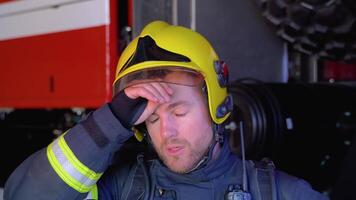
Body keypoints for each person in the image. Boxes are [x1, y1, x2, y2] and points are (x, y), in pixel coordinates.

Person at [4, 20, 329, 200]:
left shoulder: (282, 194)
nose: (166, 132)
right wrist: (111, 121)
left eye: (178, 111)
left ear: (217, 105)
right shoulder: (122, 190)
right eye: (154, 118)